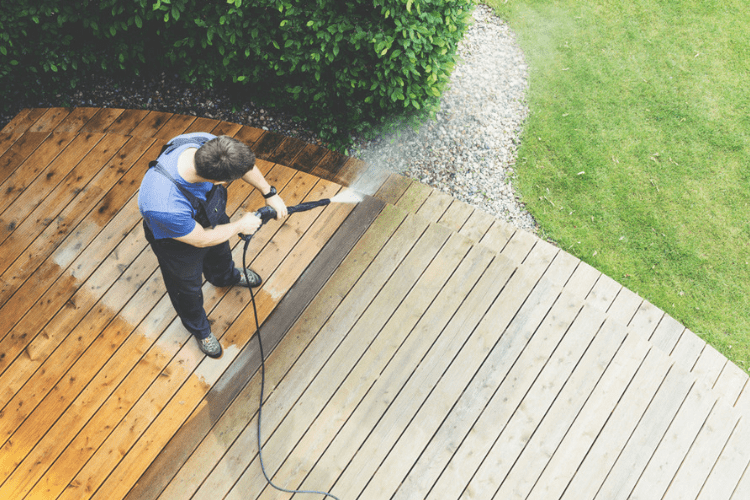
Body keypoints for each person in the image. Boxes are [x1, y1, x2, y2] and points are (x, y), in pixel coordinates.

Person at [138, 132, 288, 358]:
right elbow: (201, 239)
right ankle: (200, 330)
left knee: (221, 254)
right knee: (186, 289)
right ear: (219, 182)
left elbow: (244, 165)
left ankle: (224, 277)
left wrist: (269, 192)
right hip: (178, 243)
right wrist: (240, 226)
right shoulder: (163, 203)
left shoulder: (209, 146)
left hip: (211, 216)